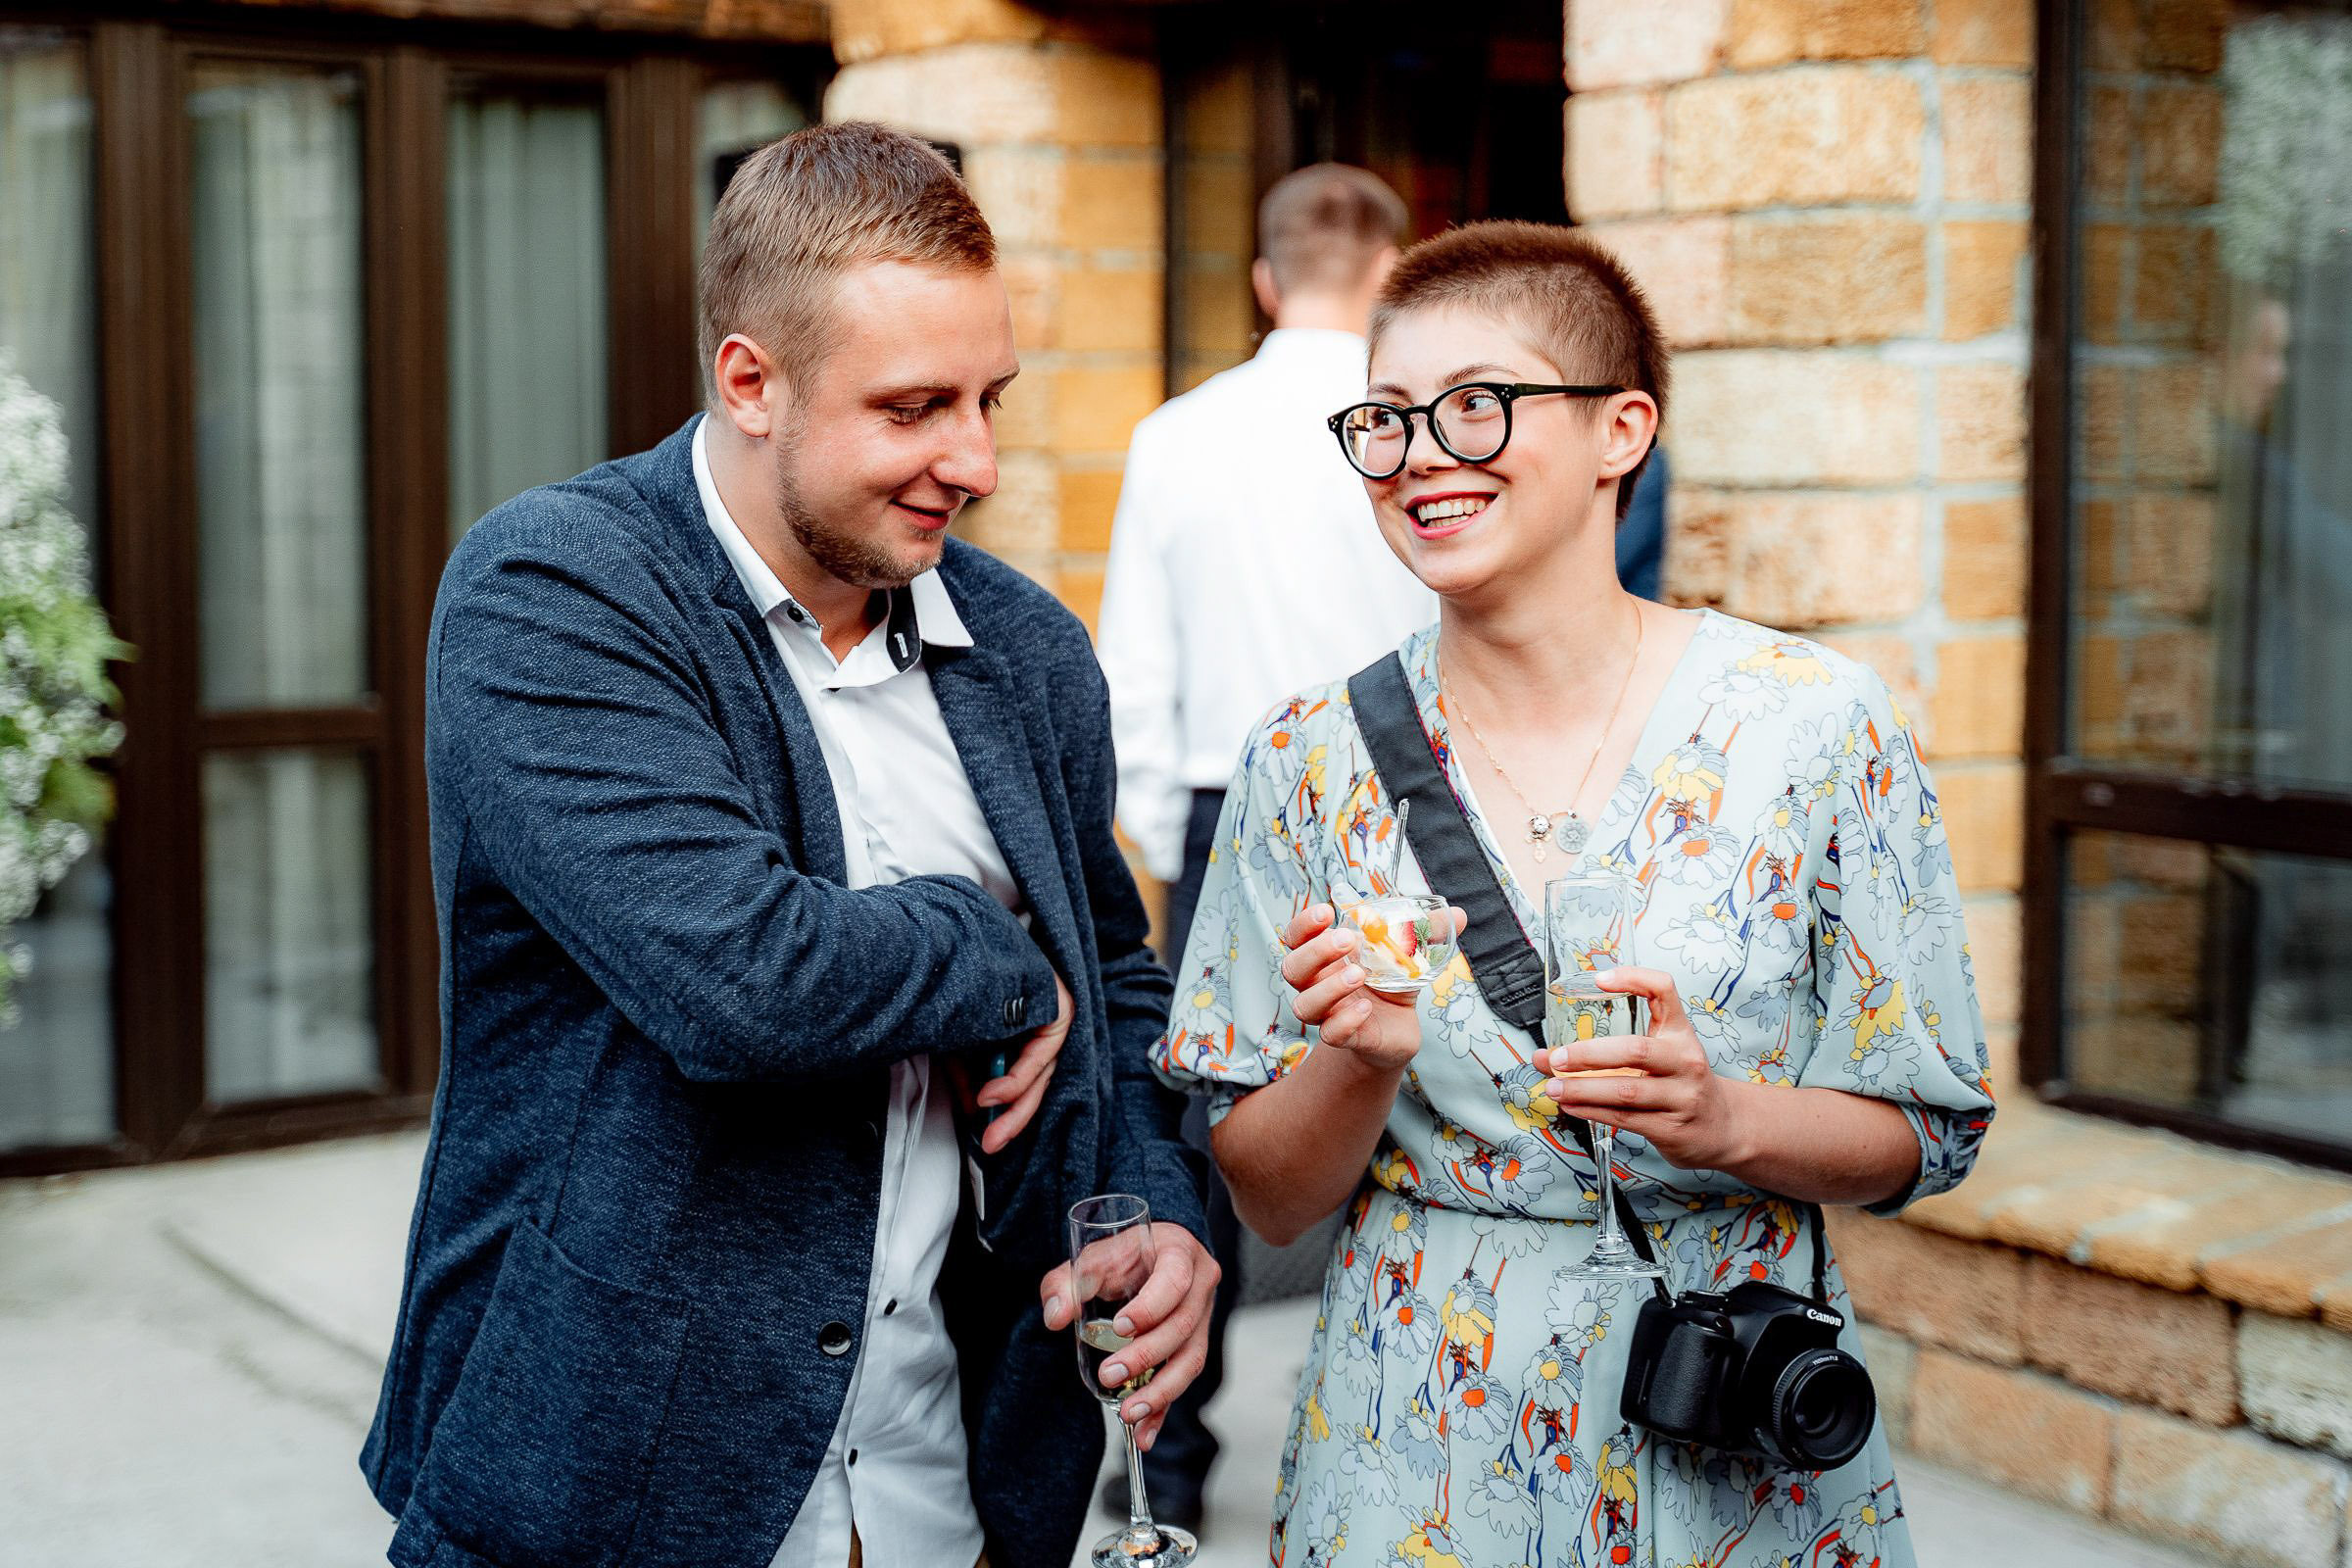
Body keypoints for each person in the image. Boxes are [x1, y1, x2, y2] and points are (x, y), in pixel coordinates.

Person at [362, 123, 1217, 1568]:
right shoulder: (554, 589)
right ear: (749, 381)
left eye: (991, 398)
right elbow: (740, 978)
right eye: (913, 407)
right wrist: (989, 955)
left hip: (950, 1478)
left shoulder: (1023, 648)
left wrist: (1163, 1200)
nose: (976, 459)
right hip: (603, 1478)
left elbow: (1116, 975)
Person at [1152, 221, 1995, 1567]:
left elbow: (1926, 1131)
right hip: (1413, 1445)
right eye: (1388, 417)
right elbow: (1263, 1193)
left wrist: (1726, 1118)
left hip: (1727, 1431)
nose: (1422, 452)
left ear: (1621, 431)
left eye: (1477, 406)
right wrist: (1358, 1064)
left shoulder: (1817, 727)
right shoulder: (1305, 760)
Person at [1095, 163, 1436, 1527]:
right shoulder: (1410, 428)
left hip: (1219, 807)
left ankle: (1163, 1469)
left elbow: (1131, 661)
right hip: (1415, 795)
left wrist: (1174, 836)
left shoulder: (1177, 433)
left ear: (1263, 280)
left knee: (1207, 1132)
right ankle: (1403, 1419)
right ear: (1392, 275)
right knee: (1414, 1105)